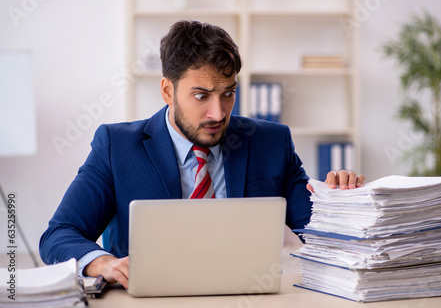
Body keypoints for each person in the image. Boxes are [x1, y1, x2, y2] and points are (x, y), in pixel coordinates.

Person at [39, 20, 365, 289]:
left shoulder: (271, 142)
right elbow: (59, 234)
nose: (217, 113)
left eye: (228, 94)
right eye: (201, 95)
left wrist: (340, 204)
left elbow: (318, 234)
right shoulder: (117, 146)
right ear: (168, 90)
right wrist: (103, 263)